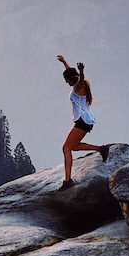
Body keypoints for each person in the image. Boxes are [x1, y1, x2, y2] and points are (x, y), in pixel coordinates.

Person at [55, 53, 108, 187]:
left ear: (72, 79)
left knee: (66, 148)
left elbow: (79, 78)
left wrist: (82, 71)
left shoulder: (78, 86)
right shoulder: (79, 84)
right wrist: (64, 62)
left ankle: (67, 181)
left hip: (82, 121)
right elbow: (73, 73)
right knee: (74, 146)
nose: (66, 82)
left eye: (67, 80)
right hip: (85, 121)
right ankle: (101, 149)